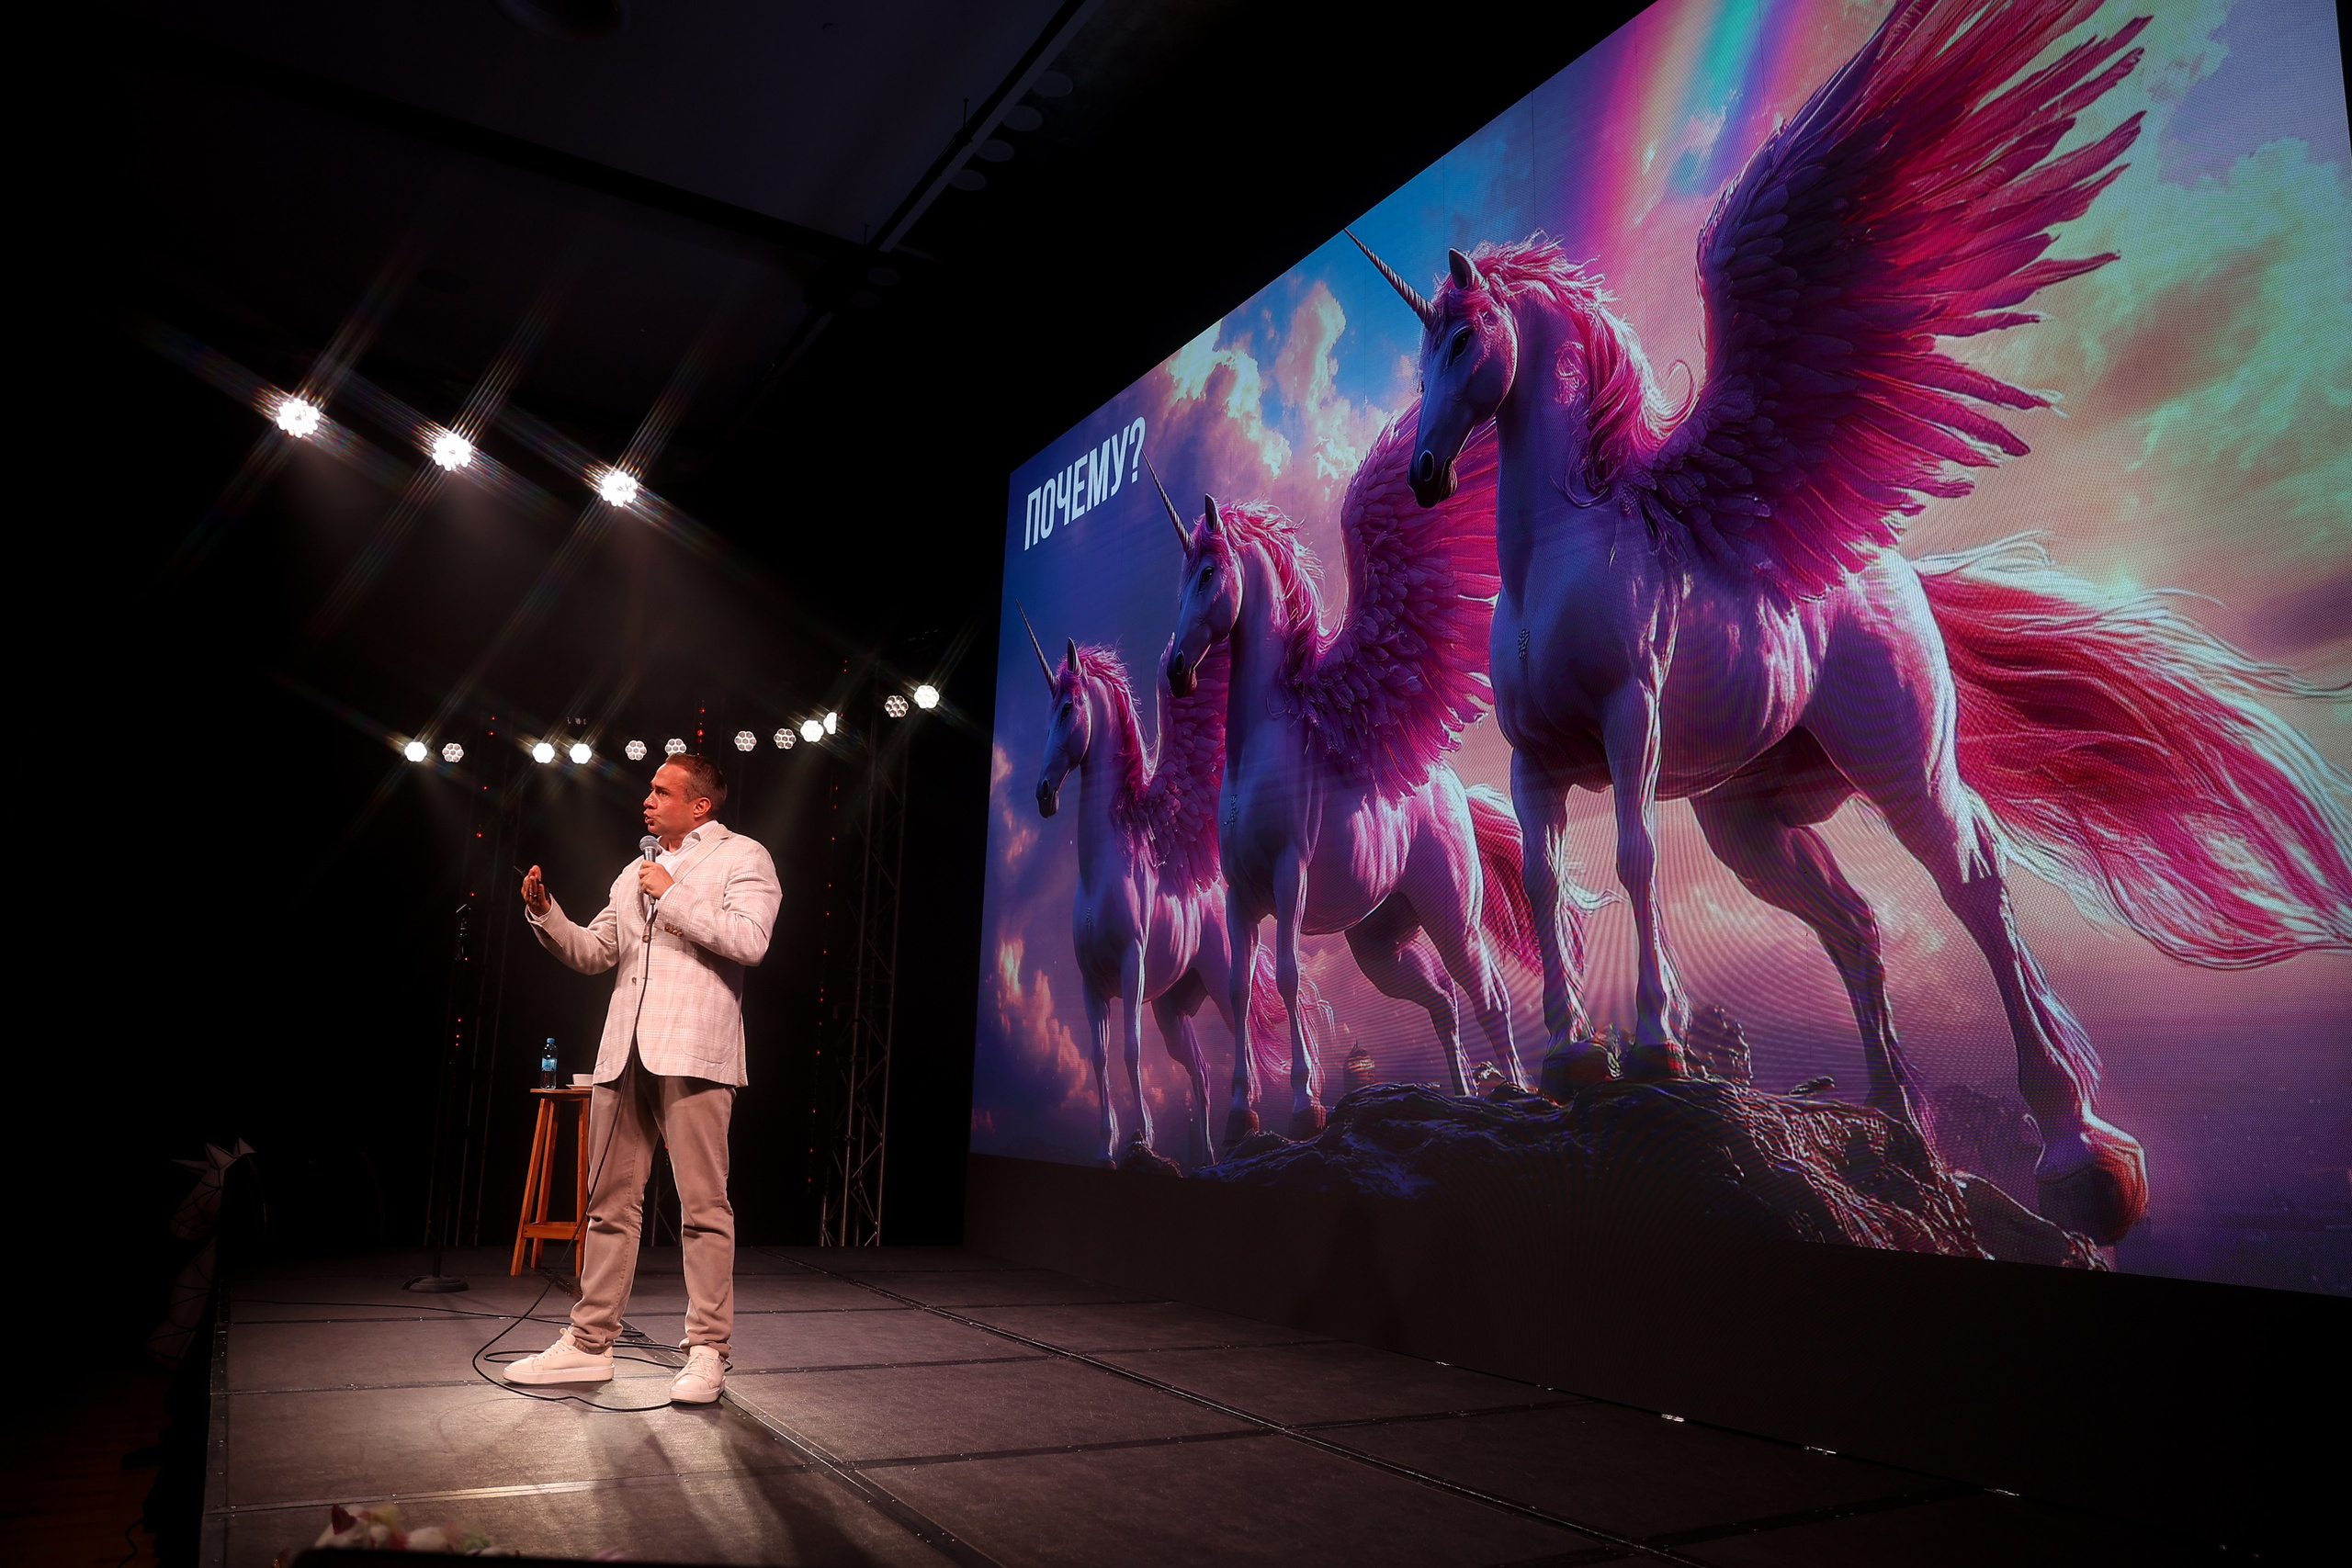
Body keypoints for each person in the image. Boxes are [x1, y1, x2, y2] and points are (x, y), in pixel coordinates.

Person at [502, 752, 780, 1404]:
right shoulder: (635, 870)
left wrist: (673, 893)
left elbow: (751, 940)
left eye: (662, 790)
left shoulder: (743, 857)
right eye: (650, 789)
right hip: (621, 1056)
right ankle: (589, 1343)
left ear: (700, 804)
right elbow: (597, 951)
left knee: (704, 1208)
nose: (647, 800)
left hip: (694, 1054)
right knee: (607, 1206)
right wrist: (546, 913)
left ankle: (708, 1350)